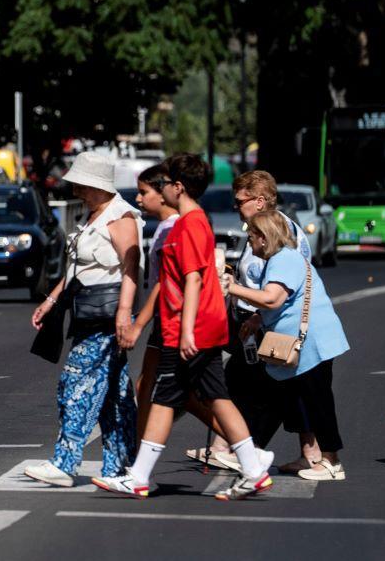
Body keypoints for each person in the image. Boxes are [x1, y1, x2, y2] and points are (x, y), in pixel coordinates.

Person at [94, 153, 274, 501]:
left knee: (186, 397)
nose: (162, 190)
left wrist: (187, 330)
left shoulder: (190, 225)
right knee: (198, 398)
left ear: (178, 186)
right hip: (195, 327)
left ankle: (143, 476)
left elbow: (192, 279)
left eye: (165, 184)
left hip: (190, 329)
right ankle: (251, 465)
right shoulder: (192, 222)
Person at [27, 151, 142, 488]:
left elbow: (130, 268)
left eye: (80, 182)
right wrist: (51, 300)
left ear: (96, 184)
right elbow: (78, 268)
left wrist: (124, 314)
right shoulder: (96, 214)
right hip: (88, 313)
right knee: (113, 396)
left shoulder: (119, 216)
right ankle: (120, 465)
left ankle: (65, 463)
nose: (75, 188)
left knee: (74, 386)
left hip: (106, 316)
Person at [226, 210, 350, 481]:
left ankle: (331, 461)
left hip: (311, 343)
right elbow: (283, 300)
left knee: (317, 400)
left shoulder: (283, 260)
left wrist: (232, 288)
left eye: (252, 236)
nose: (249, 241)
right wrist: (258, 319)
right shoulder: (280, 260)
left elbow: (273, 299)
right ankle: (266, 452)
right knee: (291, 399)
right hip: (302, 343)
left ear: (263, 237)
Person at [212, 169, 316, 473]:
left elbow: (279, 286)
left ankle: (247, 449)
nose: (236, 207)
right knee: (256, 383)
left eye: (240, 201)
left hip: (270, 319)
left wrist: (251, 307)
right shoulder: (264, 226)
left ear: (259, 201)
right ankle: (306, 452)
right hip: (261, 317)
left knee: (264, 387)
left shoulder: (276, 231)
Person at [121, 162, 179, 434]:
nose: (138, 198)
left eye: (144, 192)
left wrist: (138, 324)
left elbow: (164, 283)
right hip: (165, 320)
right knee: (146, 387)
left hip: (174, 321)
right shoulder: (164, 226)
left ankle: (244, 450)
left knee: (186, 395)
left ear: (162, 192)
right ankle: (136, 455)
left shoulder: (172, 228)